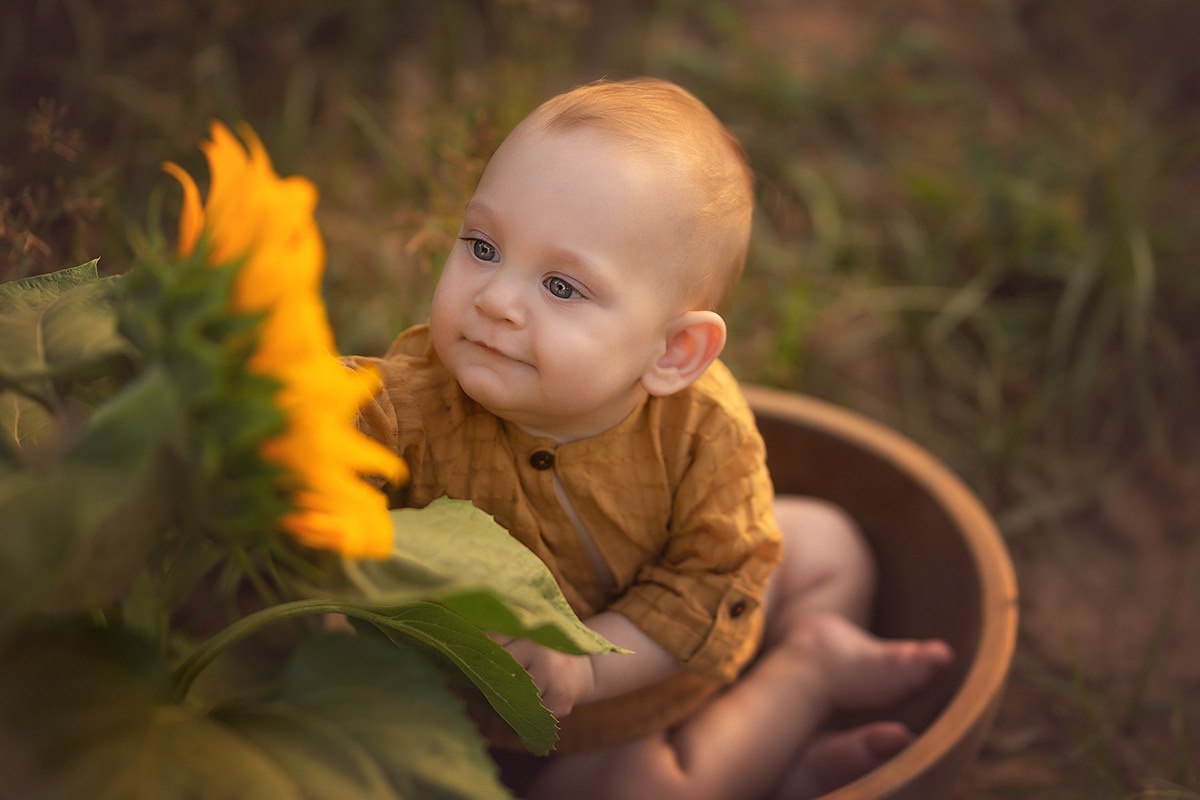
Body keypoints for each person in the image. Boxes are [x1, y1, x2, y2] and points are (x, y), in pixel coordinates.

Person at [347, 77, 952, 800]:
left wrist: (588, 665)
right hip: (550, 726)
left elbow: (712, 575)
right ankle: (794, 732)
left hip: (639, 662)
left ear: (672, 355)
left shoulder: (703, 432)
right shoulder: (413, 399)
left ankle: (811, 666)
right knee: (639, 788)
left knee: (826, 543)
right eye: (482, 246)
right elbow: (326, 430)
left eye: (562, 288)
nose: (496, 300)